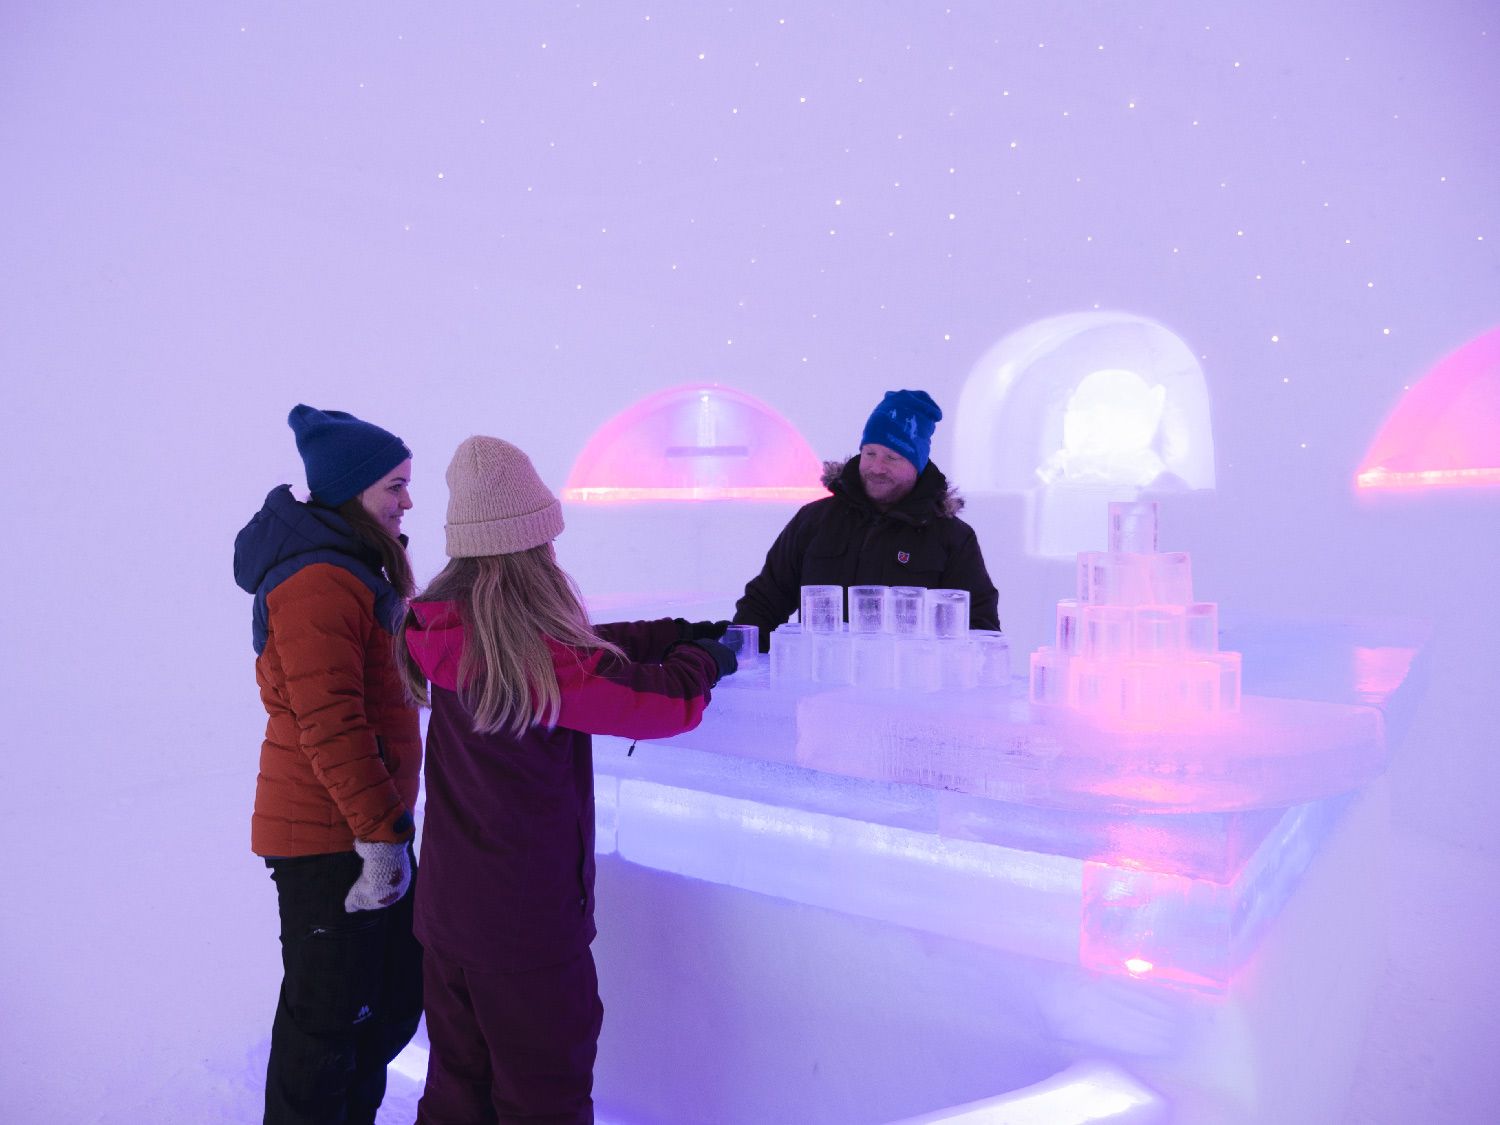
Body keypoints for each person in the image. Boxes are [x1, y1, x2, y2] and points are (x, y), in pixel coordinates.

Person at [395, 435, 737, 1125]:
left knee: (457, 1092)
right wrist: (707, 657)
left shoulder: (442, 625)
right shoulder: (534, 663)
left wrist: (667, 628)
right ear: (530, 549)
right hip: (525, 933)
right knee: (542, 1099)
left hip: (449, 918)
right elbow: (663, 703)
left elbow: (575, 646)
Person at [233, 404, 424, 1125]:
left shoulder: (351, 567)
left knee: (389, 1000)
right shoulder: (319, 580)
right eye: (393, 487)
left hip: (361, 826)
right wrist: (380, 837)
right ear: (352, 492)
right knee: (327, 1023)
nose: (407, 501)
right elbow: (332, 721)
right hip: (328, 837)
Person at [734, 388, 1000, 644]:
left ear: (917, 465)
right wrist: (737, 658)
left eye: (892, 457)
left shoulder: (952, 538)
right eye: (870, 453)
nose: (876, 467)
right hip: (819, 683)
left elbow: (979, 630)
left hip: (906, 687)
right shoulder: (815, 521)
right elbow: (765, 601)